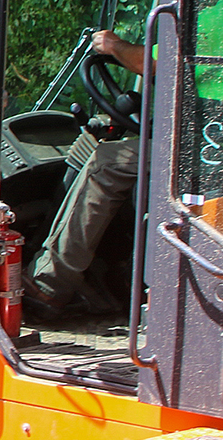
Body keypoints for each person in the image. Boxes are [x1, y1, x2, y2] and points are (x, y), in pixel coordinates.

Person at [26, 30, 143, 321]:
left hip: (208, 146)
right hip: (219, 136)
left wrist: (115, 46)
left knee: (108, 162)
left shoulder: (218, 15)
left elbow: (156, 60)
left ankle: (49, 284)